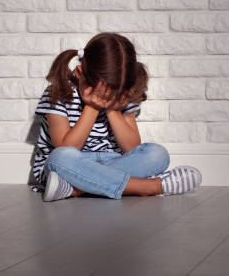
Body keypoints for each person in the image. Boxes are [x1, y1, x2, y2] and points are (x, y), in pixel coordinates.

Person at [30, 32, 202, 202]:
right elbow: (66, 147)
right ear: (80, 73)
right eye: (103, 94)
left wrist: (113, 108)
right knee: (59, 158)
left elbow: (131, 147)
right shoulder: (59, 92)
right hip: (70, 165)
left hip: (111, 161)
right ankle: (149, 187)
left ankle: (77, 188)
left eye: (112, 95)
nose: (106, 98)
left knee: (157, 154)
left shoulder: (123, 93)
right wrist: (93, 106)